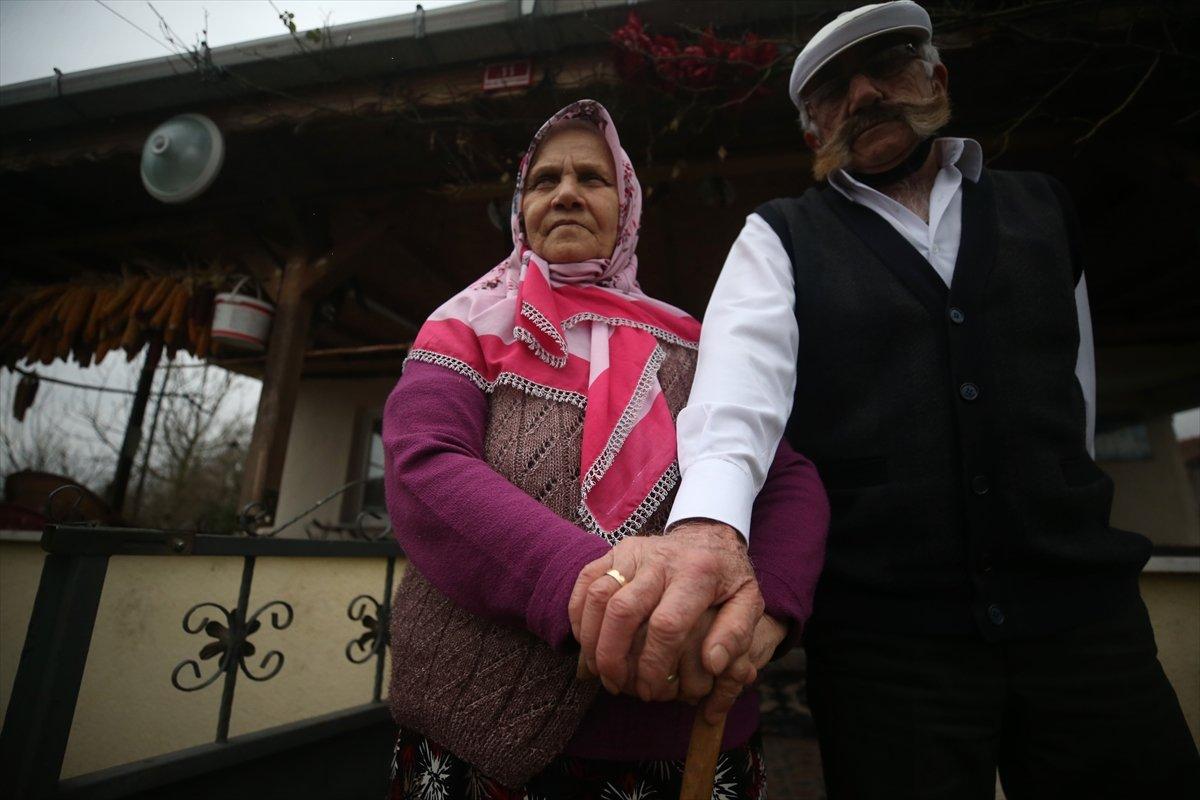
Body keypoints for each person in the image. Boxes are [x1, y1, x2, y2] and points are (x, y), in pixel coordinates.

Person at [590, 2, 1196, 797]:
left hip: (1086, 621)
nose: (866, 93)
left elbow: (1070, 404)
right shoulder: (779, 237)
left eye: (890, 65)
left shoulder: (1043, 206)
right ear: (813, 132)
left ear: (937, 77)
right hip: (888, 646)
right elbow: (735, 409)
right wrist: (708, 529)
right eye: (834, 90)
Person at [382, 99, 829, 799]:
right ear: (521, 208)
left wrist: (764, 608)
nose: (565, 192)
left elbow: (788, 476)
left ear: (626, 207)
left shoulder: (696, 340)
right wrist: (590, 591)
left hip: (689, 732)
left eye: (591, 178)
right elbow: (423, 468)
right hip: (479, 732)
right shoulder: (466, 323)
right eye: (544, 180)